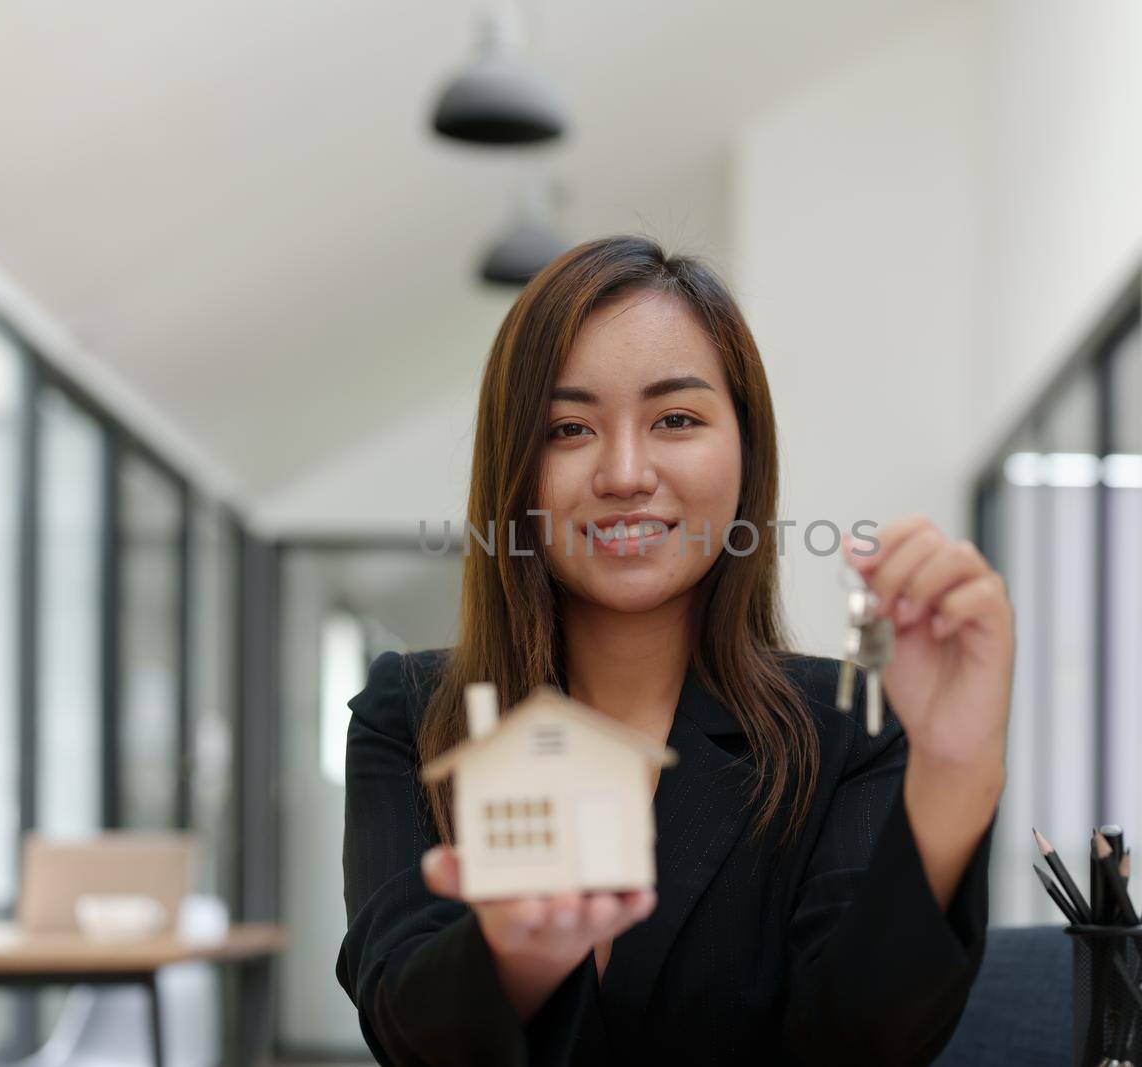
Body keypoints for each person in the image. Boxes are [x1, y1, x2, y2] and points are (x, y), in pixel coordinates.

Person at [336, 234, 1015, 1066]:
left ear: (746, 454)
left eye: (677, 419)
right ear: (512, 471)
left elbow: (856, 1040)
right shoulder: (412, 712)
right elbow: (402, 1020)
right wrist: (514, 955)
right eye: (568, 427)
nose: (624, 471)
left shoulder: (845, 726)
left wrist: (956, 772)